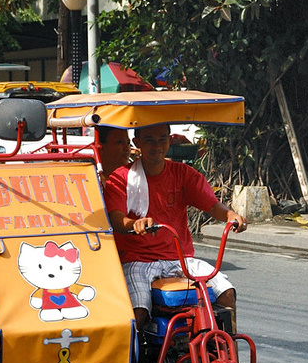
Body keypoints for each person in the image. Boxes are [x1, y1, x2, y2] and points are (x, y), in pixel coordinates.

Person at [103, 123, 247, 329]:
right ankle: (134, 358)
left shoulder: (184, 174)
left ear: (169, 141)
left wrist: (231, 215)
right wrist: (135, 224)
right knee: (139, 312)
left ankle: (222, 349)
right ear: (138, 144)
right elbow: (116, 218)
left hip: (180, 259)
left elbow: (213, 206)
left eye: (162, 139)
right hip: (138, 261)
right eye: (149, 141)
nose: (157, 146)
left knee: (226, 293)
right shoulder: (121, 178)